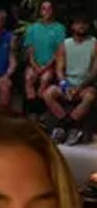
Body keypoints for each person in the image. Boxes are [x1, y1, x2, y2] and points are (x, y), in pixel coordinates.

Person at [41, 16, 97, 145]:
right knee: (48, 93)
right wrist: (65, 86)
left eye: (84, 23)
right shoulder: (65, 44)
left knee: (90, 96)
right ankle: (66, 124)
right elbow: (59, 69)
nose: (81, 26)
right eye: (78, 23)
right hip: (67, 84)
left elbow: (95, 71)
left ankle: (67, 126)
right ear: (72, 26)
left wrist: (80, 87)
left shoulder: (94, 43)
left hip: (85, 85)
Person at [22, 0, 66, 107]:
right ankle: (31, 108)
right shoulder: (32, 28)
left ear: (53, 10)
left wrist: (45, 67)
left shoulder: (60, 28)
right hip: (34, 64)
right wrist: (35, 66)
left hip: (50, 65)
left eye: (49, 8)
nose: (46, 11)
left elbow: (58, 51)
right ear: (40, 11)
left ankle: (40, 108)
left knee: (45, 79)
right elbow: (30, 50)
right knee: (28, 78)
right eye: (43, 8)